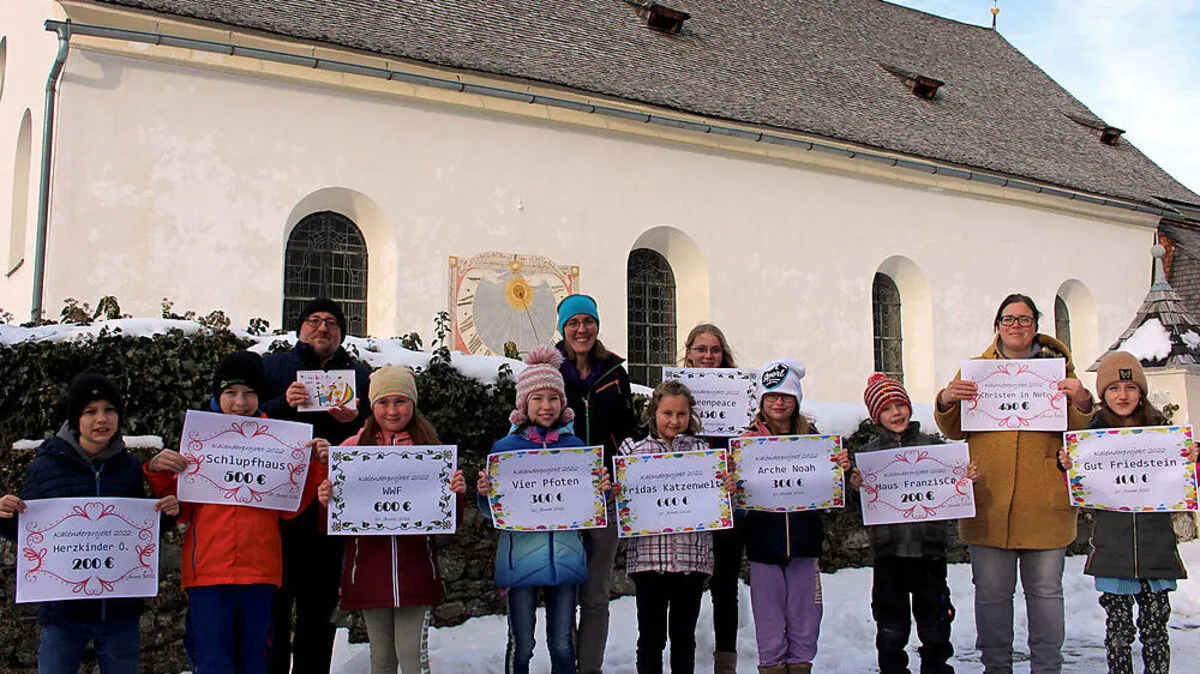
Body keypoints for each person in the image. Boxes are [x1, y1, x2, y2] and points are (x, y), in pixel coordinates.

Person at [934, 293, 1094, 673]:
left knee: (1046, 595)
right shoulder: (976, 370)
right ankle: (996, 668)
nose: (1016, 326)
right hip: (989, 501)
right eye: (1009, 319)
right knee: (990, 596)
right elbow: (954, 429)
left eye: (1024, 319)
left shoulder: (1061, 372)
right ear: (997, 326)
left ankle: (1047, 667)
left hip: (1044, 503)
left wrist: (1083, 400)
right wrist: (945, 399)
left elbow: (1081, 427)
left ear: (1036, 326)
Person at [144, 351, 328, 674]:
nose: (240, 402)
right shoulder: (201, 439)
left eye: (250, 393)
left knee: (253, 661)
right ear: (218, 395)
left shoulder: (279, 441)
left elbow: (289, 508)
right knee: (213, 661)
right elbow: (182, 509)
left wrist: (314, 467)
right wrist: (159, 471)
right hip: (208, 571)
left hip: (259, 571)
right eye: (230, 393)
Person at [0, 372, 179, 674]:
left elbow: (136, 534)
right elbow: (28, 533)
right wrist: (5, 515)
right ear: (74, 418)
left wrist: (167, 515)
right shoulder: (45, 467)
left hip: (118, 610)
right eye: (90, 411)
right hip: (62, 611)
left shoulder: (129, 468)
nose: (102, 419)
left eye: (109, 410)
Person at [316, 365, 466, 674]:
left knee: (412, 659)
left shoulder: (430, 451)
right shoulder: (352, 451)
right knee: (381, 660)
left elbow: (450, 520)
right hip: (370, 571)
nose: (393, 410)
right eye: (384, 402)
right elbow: (329, 524)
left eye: (401, 401)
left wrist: (457, 493)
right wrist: (325, 500)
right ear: (372, 406)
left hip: (416, 571)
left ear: (413, 403)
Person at [475, 346, 611, 674]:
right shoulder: (505, 450)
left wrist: (602, 492)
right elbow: (492, 511)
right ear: (523, 405)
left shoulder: (576, 449)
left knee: (563, 642)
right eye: (537, 399)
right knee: (521, 643)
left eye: (553, 398)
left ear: (563, 403)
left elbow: (589, 507)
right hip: (520, 561)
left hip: (565, 560)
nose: (546, 406)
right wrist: (485, 494)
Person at [1058, 352, 1195, 674]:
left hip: (1156, 547)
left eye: (1131, 387)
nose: (1123, 395)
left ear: (1141, 393)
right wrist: (1067, 467)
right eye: (1114, 388)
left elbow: (1184, 485)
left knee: (1156, 632)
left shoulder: (1163, 433)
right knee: (1118, 634)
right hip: (1113, 548)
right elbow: (1083, 493)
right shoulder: (1090, 437)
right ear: (1103, 394)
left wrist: (1192, 458)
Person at [262, 297, 372, 674]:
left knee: (319, 605)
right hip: (276, 505)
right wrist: (280, 403)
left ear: (341, 333)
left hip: (330, 506)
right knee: (275, 601)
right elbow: (240, 419)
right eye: (314, 320)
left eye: (331, 322)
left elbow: (380, 435)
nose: (322, 328)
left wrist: (356, 420)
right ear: (299, 328)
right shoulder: (274, 367)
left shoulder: (359, 375)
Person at [842, 373, 978, 674]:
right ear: (877, 416)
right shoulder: (868, 455)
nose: (896, 413)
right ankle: (892, 669)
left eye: (900, 405)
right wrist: (855, 488)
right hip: (888, 552)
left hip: (929, 551)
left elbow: (952, 494)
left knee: (935, 621)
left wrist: (965, 480)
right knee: (891, 623)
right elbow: (860, 509)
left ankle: (936, 666)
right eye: (887, 408)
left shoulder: (933, 447)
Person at [617, 379, 735, 674]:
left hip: (691, 561)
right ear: (653, 413)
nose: (674, 421)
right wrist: (617, 491)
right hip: (648, 562)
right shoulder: (633, 452)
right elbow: (618, 503)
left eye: (681, 414)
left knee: (684, 637)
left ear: (690, 415)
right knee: (650, 638)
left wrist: (728, 490)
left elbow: (719, 506)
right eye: (667, 413)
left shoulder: (705, 454)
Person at [555, 294, 637, 673]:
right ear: (563, 328)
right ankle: (565, 664)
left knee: (596, 593)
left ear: (597, 326)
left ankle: (590, 668)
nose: (581, 329)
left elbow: (629, 429)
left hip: (605, 495)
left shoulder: (615, 372)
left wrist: (625, 467)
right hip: (561, 497)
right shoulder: (548, 371)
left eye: (588, 321)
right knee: (563, 592)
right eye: (573, 322)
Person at [738, 359, 823, 674]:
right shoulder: (746, 443)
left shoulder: (814, 439)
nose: (778, 402)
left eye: (786, 396)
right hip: (763, 545)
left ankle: (801, 667)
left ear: (797, 401)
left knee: (806, 617)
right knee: (769, 619)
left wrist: (840, 470)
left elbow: (828, 487)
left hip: (805, 543)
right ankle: (771, 667)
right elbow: (738, 500)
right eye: (771, 395)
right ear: (761, 400)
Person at [682, 323, 744, 674]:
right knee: (687, 584)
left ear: (724, 354)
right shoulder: (674, 391)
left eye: (715, 350)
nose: (708, 356)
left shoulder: (739, 394)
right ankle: (684, 659)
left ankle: (726, 661)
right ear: (688, 352)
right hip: (689, 502)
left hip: (727, 501)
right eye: (701, 349)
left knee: (725, 586)